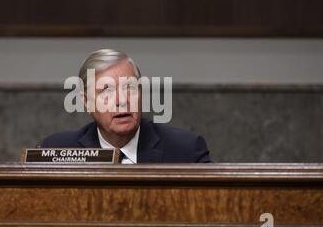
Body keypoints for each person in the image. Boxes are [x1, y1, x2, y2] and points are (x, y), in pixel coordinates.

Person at [39, 49, 211, 163]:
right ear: (86, 102)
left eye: (130, 88)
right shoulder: (56, 151)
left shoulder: (187, 151)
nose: (122, 100)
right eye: (106, 91)